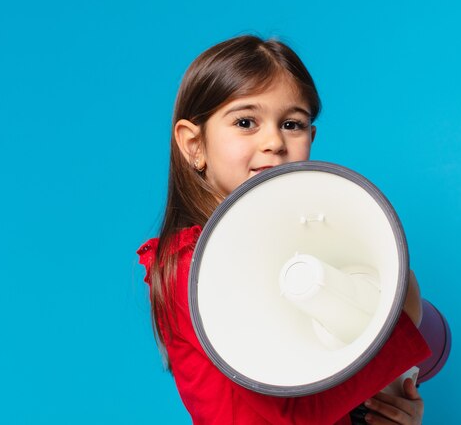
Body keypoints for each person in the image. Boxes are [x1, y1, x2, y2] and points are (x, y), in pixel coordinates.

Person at [137, 35, 430, 425]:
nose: (274, 141)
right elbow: (287, 415)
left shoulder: (298, 256)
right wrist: (401, 328)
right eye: (245, 122)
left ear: (311, 138)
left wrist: (382, 408)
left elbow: (321, 387)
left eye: (292, 124)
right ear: (195, 145)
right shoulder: (188, 268)